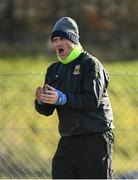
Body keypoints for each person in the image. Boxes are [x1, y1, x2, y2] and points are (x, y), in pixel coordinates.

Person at [35, 17, 114, 179]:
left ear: (73, 40)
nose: (57, 44)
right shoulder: (53, 70)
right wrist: (42, 101)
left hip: (95, 137)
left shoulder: (90, 64)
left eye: (62, 39)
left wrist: (63, 98)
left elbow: (91, 100)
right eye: (55, 40)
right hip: (68, 139)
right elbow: (47, 110)